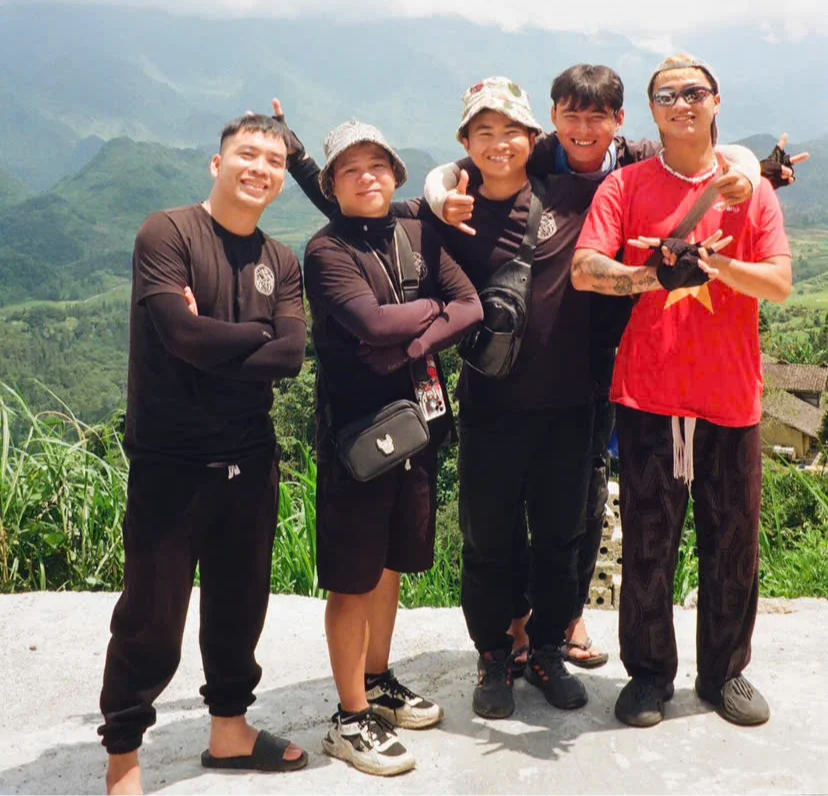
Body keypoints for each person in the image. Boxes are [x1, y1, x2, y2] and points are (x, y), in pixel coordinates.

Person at [425, 65, 762, 672]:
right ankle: (503, 649)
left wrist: (750, 169)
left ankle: (556, 639)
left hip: (587, 381)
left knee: (570, 523)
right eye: (571, 115)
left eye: (598, 116)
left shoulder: (604, 180)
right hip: (495, 399)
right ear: (550, 122)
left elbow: (700, 156)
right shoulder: (467, 198)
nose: (584, 128)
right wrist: (434, 187)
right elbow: (367, 203)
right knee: (493, 536)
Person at [572, 54, 792, 728]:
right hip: (648, 395)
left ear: (716, 100)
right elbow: (585, 268)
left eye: (693, 91)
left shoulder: (749, 192)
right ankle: (647, 677)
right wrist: (650, 276)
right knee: (647, 541)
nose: (681, 103)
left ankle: (724, 674)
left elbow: (778, 282)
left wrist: (718, 265)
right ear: (652, 111)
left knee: (732, 541)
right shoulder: (628, 185)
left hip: (730, 395)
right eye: (666, 94)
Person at [98, 114, 308, 796]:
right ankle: (124, 756)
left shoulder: (281, 261)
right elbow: (178, 336)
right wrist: (251, 336)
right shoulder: (168, 232)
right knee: (151, 618)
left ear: (282, 177)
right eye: (246, 154)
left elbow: (292, 355)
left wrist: (217, 334)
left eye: (272, 160)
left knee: (239, 605)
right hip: (171, 462)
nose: (260, 168)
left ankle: (229, 732)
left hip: (251, 459)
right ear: (217, 165)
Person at [302, 120, 481, 775]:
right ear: (333, 184)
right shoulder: (326, 251)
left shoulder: (417, 233)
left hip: (418, 427)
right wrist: (432, 313)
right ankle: (348, 720)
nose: (368, 176)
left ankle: (376, 683)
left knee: (388, 567)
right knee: (351, 580)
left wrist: (413, 338)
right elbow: (369, 321)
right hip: (357, 438)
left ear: (397, 175)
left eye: (378, 165)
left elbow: (473, 307)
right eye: (352, 169)